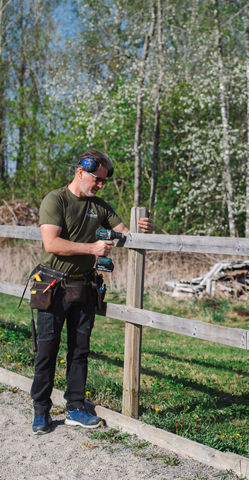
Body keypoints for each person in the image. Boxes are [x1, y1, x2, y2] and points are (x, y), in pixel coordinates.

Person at [31, 150, 153, 435]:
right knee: (47, 350)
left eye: (103, 182)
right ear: (80, 172)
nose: (99, 185)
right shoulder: (55, 199)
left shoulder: (100, 206)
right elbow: (51, 243)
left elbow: (124, 231)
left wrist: (142, 229)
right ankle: (40, 409)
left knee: (79, 350)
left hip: (84, 286)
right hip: (53, 285)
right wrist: (91, 249)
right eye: (96, 179)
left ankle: (74, 407)